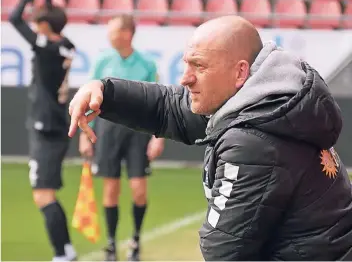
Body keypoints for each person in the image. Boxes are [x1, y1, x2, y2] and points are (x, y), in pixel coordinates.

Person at [68, 15, 352, 261]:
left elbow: (223, 250)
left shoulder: (253, 140)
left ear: (240, 71)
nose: (185, 78)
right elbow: (172, 107)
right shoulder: (262, 99)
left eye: (199, 67)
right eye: (186, 64)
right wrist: (106, 91)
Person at [78, 15, 165, 262]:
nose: (109, 35)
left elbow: (157, 105)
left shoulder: (147, 64)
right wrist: (86, 134)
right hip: (107, 132)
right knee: (110, 190)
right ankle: (111, 244)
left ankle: (136, 239)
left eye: (114, 31)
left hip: (137, 133)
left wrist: (157, 137)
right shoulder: (103, 61)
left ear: (127, 33)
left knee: (138, 190)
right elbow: (88, 99)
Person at [9, 0, 77, 261]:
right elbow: (46, 21)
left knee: (43, 194)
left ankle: (61, 253)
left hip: (46, 127)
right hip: (56, 124)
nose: (35, 26)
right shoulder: (66, 45)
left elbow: (14, 18)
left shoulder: (44, 47)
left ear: (46, 26)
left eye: (39, 23)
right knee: (47, 193)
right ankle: (66, 250)